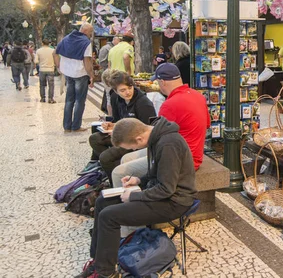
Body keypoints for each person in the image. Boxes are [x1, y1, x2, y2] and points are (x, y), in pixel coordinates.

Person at [75, 117, 197, 278]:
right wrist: (139, 180)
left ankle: (106, 273)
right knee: (102, 202)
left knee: (109, 216)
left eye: (132, 147)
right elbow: (156, 173)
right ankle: (98, 262)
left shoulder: (168, 144)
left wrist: (134, 196)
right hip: (161, 194)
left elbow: (166, 189)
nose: (133, 151)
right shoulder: (156, 137)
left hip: (175, 201)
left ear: (139, 138)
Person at [111, 63, 210, 186]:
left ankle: (124, 201)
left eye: (157, 82)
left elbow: (156, 138)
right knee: (126, 158)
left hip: (179, 160)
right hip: (192, 153)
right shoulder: (198, 96)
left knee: (118, 173)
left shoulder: (170, 104)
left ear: (162, 82)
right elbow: (207, 125)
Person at [81, 71, 156, 184]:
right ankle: (110, 168)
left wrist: (120, 131)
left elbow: (147, 130)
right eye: (122, 90)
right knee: (95, 139)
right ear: (115, 91)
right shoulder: (115, 98)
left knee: (105, 157)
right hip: (122, 134)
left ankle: (115, 179)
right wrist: (112, 125)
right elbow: (118, 120)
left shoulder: (143, 103)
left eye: (129, 88)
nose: (127, 92)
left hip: (136, 140)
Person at [54, 23, 95, 132]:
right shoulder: (86, 42)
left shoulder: (66, 38)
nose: (90, 35)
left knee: (69, 100)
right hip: (80, 74)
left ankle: (67, 127)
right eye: (90, 32)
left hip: (68, 73)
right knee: (79, 101)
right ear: (86, 31)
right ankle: (76, 126)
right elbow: (87, 61)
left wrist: (59, 66)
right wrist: (91, 76)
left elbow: (55, 53)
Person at [35, 39, 56, 103]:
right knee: (51, 85)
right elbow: (56, 60)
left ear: (42, 43)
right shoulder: (53, 51)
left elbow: (36, 61)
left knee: (42, 85)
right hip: (51, 70)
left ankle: (42, 98)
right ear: (49, 44)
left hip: (42, 70)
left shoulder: (38, 51)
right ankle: (50, 99)